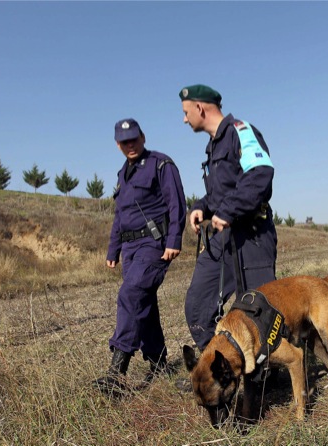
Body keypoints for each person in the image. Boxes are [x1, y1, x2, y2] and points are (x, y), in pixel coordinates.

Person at [178, 84, 278, 352]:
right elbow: (220, 194)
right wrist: (202, 206)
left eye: (187, 112)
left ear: (200, 108)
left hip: (252, 235)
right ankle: (218, 367)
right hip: (224, 238)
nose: (185, 119)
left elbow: (261, 174)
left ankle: (266, 375)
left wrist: (227, 211)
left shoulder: (240, 131)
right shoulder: (212, 147)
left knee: (258, 308)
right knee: (198, 305)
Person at [94, 118, 186, 395]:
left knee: (131, 294)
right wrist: (113, 250)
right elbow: (119, 217)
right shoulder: (123, 173)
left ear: (143, 137)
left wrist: (173, 240)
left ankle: (116, 374)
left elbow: (176, 203)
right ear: (117, 145)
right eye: (124, 142)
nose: (130, 145)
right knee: (144, 303)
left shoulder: (160, 164)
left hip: (154, 244)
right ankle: (158, 363)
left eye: (134, 139)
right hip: (130, 249)